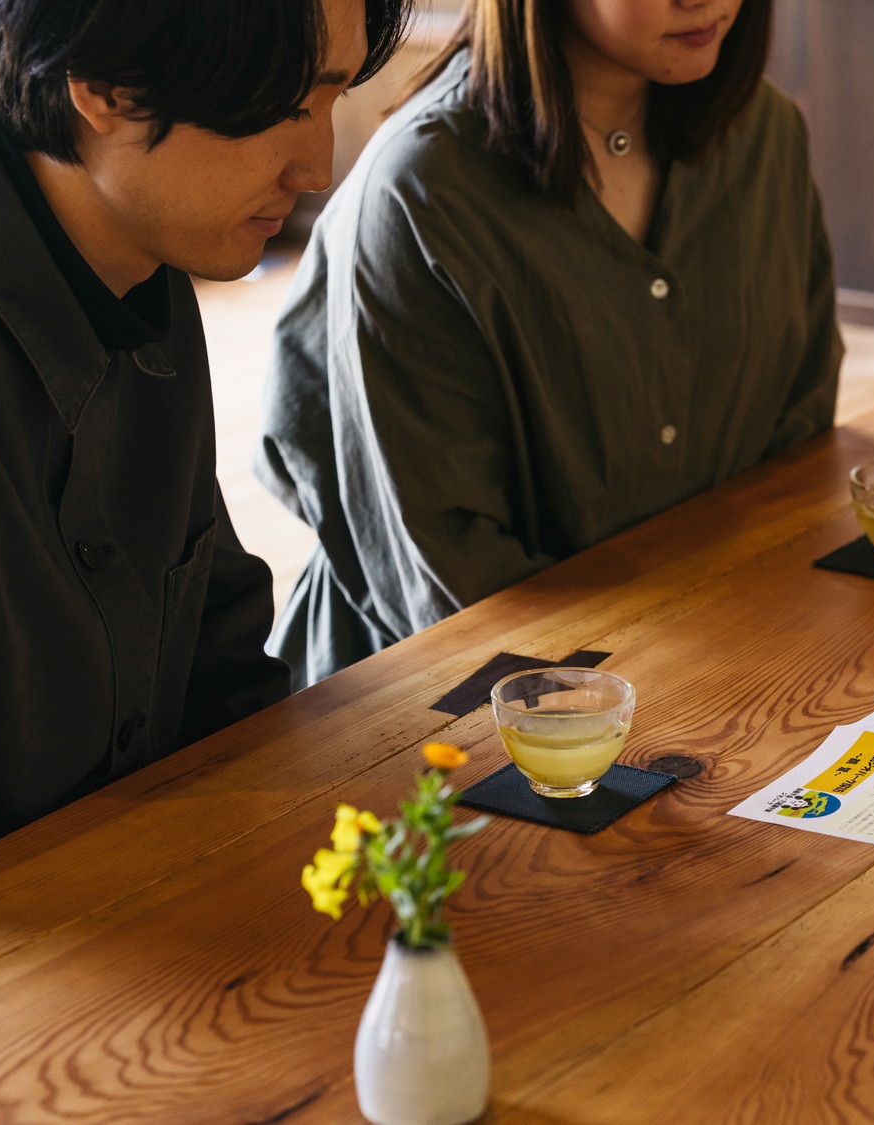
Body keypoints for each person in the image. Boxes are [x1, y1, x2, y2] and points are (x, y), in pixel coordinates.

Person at [0, 0, 411, 925]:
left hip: (160, 926)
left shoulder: (143, 267)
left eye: (330, 98)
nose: (317, 166)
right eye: (282, 106)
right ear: (100, 87)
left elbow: (221, 672)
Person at [257, 0, 844, 687]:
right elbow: (447, 570)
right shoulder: (421, 190)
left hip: (719, 656)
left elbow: (798, 444)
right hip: (451, 712)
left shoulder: (764, 134)